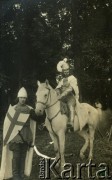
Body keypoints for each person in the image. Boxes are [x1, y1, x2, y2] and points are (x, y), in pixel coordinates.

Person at [0, 87, 38, 180]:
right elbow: (8, 124)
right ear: (18, 98)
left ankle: (21, 174)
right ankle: (16, 175)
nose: (23, 99)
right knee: (16, 157)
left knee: (23, 156)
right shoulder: (13, 109)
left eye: (24, 98)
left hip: (26, 136)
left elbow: (38, 118)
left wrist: (39, 108)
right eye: (21, 98)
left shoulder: (30, 109)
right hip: (15, 136)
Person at [56, 57, 81, 130]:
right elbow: (57, 88)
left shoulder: (72, 78)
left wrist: (61, 95)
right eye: (65, 71)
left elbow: (70, 89)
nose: (66, 72)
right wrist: (57, 92)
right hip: (62, 97)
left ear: (69, 70)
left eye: (67, 70)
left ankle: (71, 122)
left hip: (70, 97)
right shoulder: (62, 80)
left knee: (70, 106)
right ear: (63, 71)